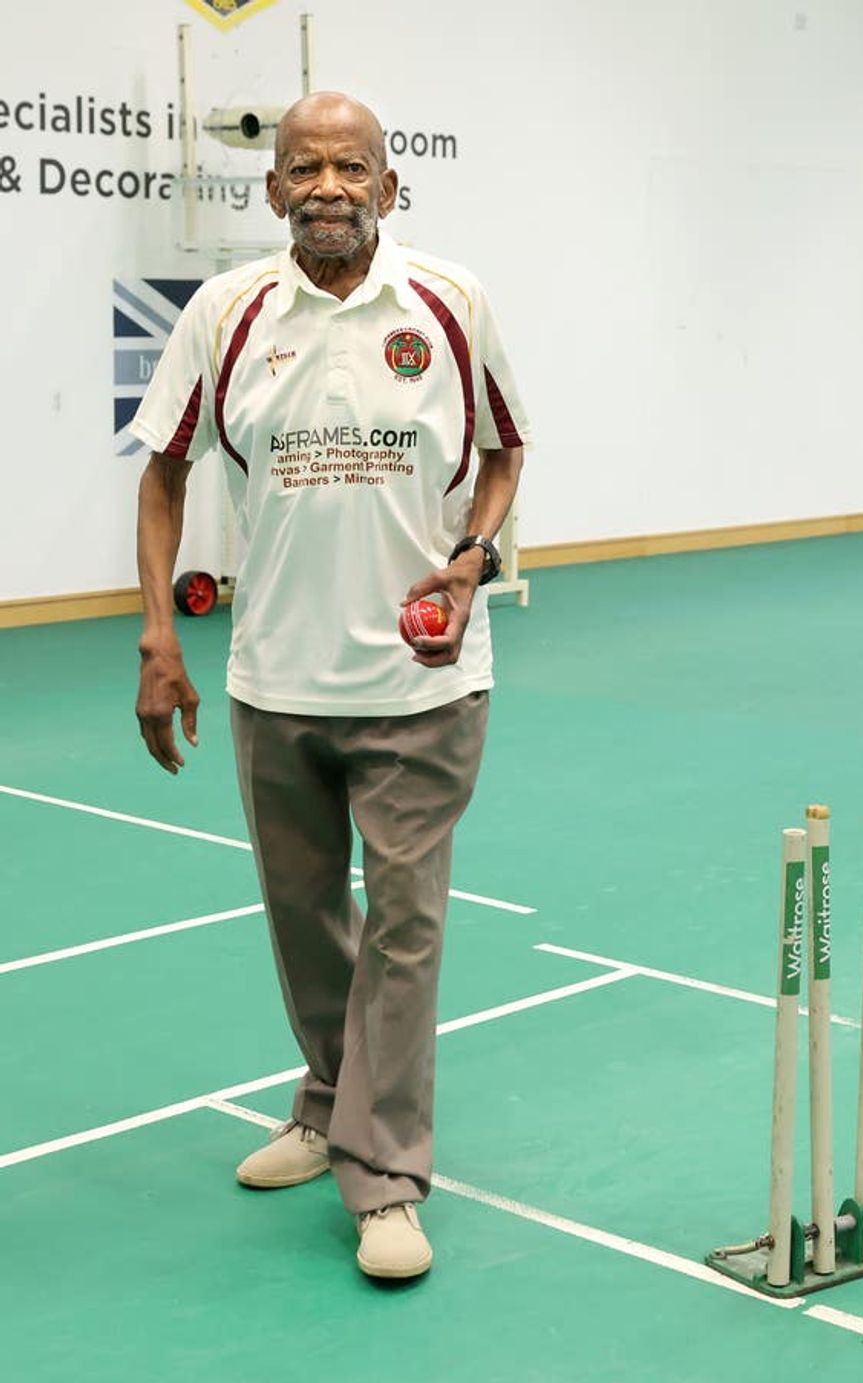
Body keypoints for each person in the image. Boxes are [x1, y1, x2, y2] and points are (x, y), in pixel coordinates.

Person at [131, 92, 529, 1279]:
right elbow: (160, 475)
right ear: (273, 192)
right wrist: (161, 637)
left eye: (352, 166)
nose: (328, 186)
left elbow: (506, 449)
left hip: (423, 682)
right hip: (275, 679)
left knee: (403, 929)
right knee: (306, 919)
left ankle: (386, 1173)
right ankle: (322, 1100)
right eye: (305, 166)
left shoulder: (449, 305)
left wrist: (472, 559)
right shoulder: (227, 312)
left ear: (389, 187)